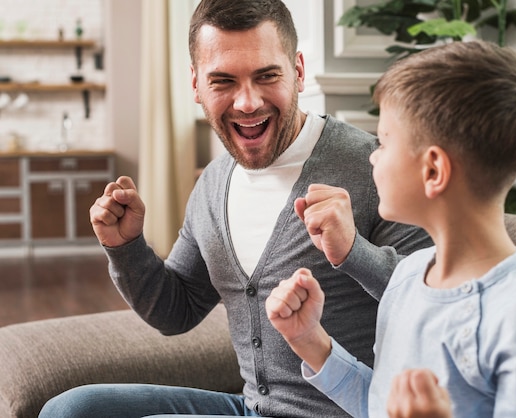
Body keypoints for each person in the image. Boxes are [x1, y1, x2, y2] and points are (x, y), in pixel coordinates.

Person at [38, 1, 431, 417]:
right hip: (251, 408)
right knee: (74, 410)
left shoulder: (373, 167)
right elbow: (177, 312)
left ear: (297, 70)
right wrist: (126, 247)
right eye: (223, 81)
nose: (247, 102)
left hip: (349, 410)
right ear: (196, 85)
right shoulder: (213, 183)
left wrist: (354, 251)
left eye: (267, 76)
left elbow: (433, 303)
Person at [266, 40, 516, 418]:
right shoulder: (407, 278)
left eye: (384, 142)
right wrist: (311, 342)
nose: (373, 155)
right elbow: (382, 408)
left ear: (433, 170)